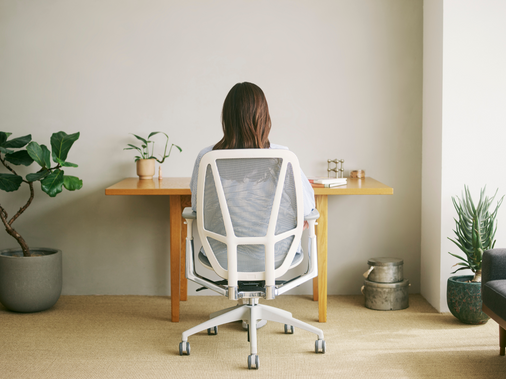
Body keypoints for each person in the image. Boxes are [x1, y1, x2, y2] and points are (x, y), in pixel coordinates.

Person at [190, 82, 315, 220]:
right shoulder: (283, 156)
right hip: (277, 243)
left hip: (220, 242)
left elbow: (198, 207)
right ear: (264, 117)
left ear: (227, 117)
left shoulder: (206, 156)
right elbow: (306, 208)